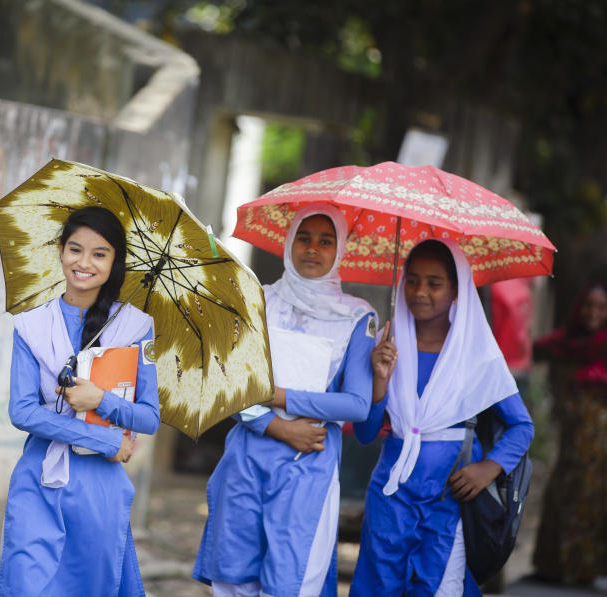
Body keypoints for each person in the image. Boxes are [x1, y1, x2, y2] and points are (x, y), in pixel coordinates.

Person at [193, 203, 377, 597]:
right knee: (233, 577)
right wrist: (275, 425)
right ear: (289, 242)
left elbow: (357, 405)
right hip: (246, 456)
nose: (312, 248)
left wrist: (279, 397)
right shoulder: (257, 299)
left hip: (307, 464)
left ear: (340, 249)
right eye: (304, 238)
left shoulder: (357, 317)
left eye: (326, 241)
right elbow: (227, 380)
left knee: (291, 582)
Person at [350, 239, 534, 596]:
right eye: (413, 280)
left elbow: (521, 426)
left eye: (434, 283)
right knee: (380, 585)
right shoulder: (386, 345)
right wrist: (379, 381)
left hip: (449, 497)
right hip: (391, 494)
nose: (420, 291)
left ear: (456, 291)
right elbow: (365, 432)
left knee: (440, 585)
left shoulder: (474, 354)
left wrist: (489, 467)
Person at [0, 206, 159, 597]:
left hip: (99, 487)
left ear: (115, 261)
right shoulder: (32, 325)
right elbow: (22, 411)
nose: (84, 262)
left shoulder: (136, 327)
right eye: (75, 249)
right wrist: (105, 440)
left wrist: (99, 399)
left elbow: (150, 418)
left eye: (99, 253)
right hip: (39, 479)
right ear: (60, 250)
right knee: (25, 584)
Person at [531, 280, 607, 585]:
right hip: (570, 437)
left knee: (590, 497)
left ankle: (582, 569)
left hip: (600, 442)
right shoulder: (565, 343)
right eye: (589, 305)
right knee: (564, 492)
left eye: (601, 308)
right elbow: (534, 350)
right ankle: (555, 565)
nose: (593, 312)